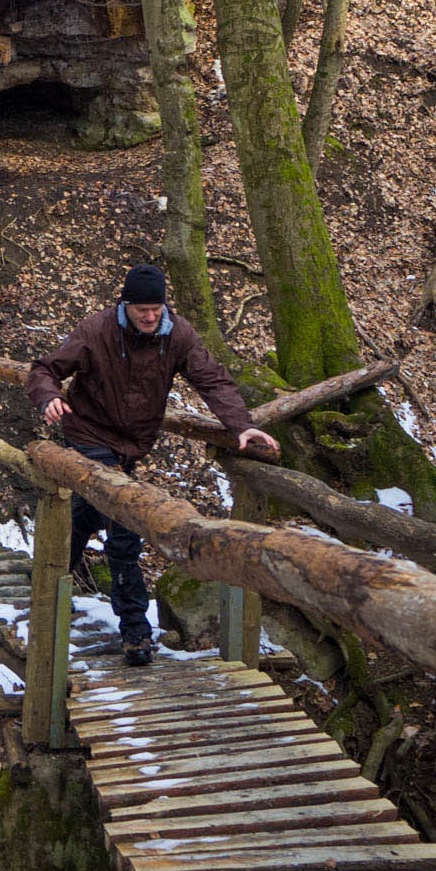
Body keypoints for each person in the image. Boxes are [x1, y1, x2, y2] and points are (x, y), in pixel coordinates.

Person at [25, 264, 279, 666]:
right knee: (125, 522)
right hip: (88, 434)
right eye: (141, 308)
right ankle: (135, 633)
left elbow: (212, 379)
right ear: (126, 305)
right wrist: (48, 397)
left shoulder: (177, 335)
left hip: (132, 443)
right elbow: (45, 369)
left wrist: (242, 426)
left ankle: (50, 570)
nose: (149, 316)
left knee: (88, 513)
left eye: (156, 308)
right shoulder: (96, 331)